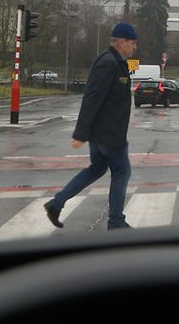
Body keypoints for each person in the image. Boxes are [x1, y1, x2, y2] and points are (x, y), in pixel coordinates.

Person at [44, 22, 137, 230]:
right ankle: (115, 221)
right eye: (132, 43)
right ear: (121, 42)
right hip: (108, 133)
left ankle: (56, 204)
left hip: (103, 132)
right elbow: (92, 98)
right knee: (122, 172)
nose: (134, 47)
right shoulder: (109, 63)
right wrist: (80, 133)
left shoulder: (117, 62)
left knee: (97, 168)